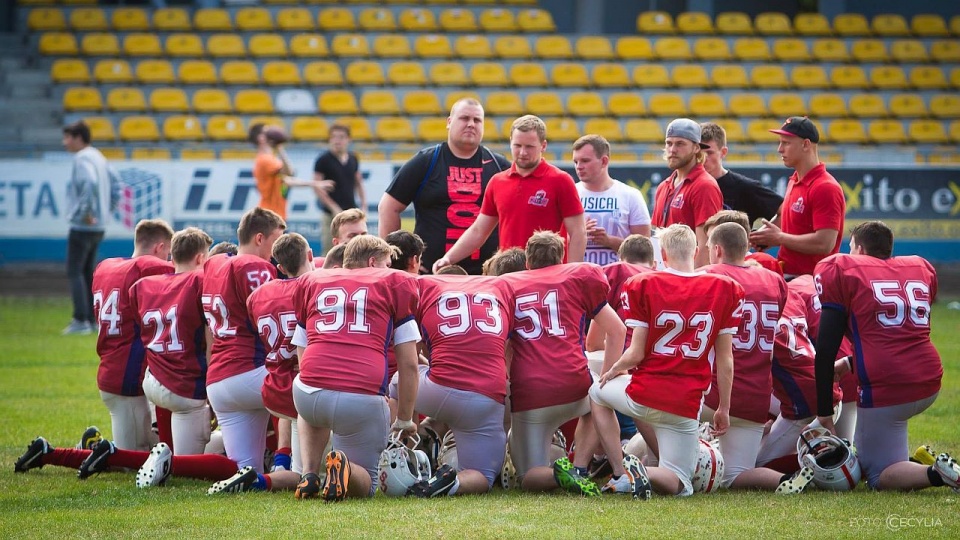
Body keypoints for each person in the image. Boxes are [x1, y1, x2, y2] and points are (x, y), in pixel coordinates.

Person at [590, 224, 741, 497]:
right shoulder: (725, 288)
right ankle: (645, 471)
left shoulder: (644, 283)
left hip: (644, 394)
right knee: (679, 483)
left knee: (596, 393)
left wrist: (614, 370)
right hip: (685, 403)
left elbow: (636, 353)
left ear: (662, 254)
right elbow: (725, 360)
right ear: (696, 252)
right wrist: (724, 408)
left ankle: (620, 470)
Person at [813, 221, 960, 492]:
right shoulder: (918, 267)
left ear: (858, 247)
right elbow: (897, 336)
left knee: (878, 475)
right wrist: (849, 363)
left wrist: (823, 412)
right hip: (929, 380)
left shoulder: (842, 270)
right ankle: (917, 462)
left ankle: (936, 472)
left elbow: (824, 351)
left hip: (888, 388)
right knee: (890, 451)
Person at [291, 235, 421, 501]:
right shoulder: (394, 283)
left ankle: (309, 473)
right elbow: (409, 364)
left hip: (308, 393)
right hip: (360, 396)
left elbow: (301, 348)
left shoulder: (313, 281)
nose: (389, 269)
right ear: (373, 263)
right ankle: (344, 468)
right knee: (367, 484)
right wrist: (405, 418)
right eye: (386, 263)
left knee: (308, 388)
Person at [499, 231, 627, 496]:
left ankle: (565, 475)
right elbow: (617, 331)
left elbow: (505, 346)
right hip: (573, 383)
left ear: (527, 262)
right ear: (561, 258)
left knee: (529, 476)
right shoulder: (578, 277)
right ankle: (584, 467)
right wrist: (607, 378)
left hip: (530, 391)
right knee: (598, 402)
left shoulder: (507, 285)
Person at [700, 223, 810, 493]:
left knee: (656, 408)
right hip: (756, 393)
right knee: (737, 474)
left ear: (716, 249)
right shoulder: (773, 281)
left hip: (713, 392)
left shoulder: (707, 275)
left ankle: (656, 465)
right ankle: (784, 480)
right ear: (745, 249)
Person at [399, 268, 517, 496]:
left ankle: (402, 451)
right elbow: (507, 348)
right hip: (487, 396)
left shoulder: (424, 288)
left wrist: (405, 418)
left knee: (398, 381)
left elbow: (409, 359)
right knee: (483, 475)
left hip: (439, 389)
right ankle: (452, 483)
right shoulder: (500, 289)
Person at [433, 115, 587, 273]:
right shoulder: (497, 182)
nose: (522, 152)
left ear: (543, 146)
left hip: (548, 276)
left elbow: (578, 232)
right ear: (510, 143)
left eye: (529, 146)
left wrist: (571, 274)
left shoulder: (560, 180)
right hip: (507, 276)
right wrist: (449, 258)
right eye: (517, 145)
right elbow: (479, 230)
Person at [379, 98, 509, 274]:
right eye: (464, 118)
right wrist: (397, 261)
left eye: (477, 120)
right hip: (431, 276)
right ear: (449, 122)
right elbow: (388, 207)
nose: (471, 124)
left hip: (486, 278)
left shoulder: (499, 166)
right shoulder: (426, 161)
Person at [201, 207, 286, 475]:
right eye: (276, 240)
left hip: (218, 380)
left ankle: (175, 464)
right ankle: (294, 465)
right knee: (312, 390)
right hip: (249, 372)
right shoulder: (256, 267)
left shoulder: (214, 263)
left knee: (245, 472)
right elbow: (269, 318)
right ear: (260, 238)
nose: (277, 251)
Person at [91, 219, 175, 451]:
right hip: (126, 373)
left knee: (151, 443)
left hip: (113, 366)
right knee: (135, 456)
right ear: (159, 247)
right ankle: (86, 451)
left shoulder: (105, 267)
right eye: (168, 253)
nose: (169, 259)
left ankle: (95, 448)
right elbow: (187, 272)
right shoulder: (146, 267)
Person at [129, 227, 213, 456]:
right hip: (185, 387)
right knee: (189, 464)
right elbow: (210, 346)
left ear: (172, 256)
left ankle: (157, 447)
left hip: (153, 380)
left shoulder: (143, 286)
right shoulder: (200, 282)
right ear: (200, 258)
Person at [247, 232, 316, 477]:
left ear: (280, 267)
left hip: (275, 383)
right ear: (309, 255)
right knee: (308, 471)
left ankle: (279, 463)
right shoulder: (316, 286)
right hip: (308, 384)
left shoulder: (257, 296)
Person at [750, 117, 845, 278]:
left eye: (786, 143)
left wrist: (780, 238)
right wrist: (762, 236)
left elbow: (825, 243)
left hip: (812, 281)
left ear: (806, 144)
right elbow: (791, 221)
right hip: (792, 276)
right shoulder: (795, 179)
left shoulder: (825, 187)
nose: (780, 149)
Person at [62, 120, 121, 335]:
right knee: (87, 272)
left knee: (75, 270)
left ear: (79, 138)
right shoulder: (99, 156)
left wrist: (86, 212)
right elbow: (117, 185)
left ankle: (80, 319)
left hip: (84, 224)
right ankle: (93, 319)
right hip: (99, 226)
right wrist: (106, 211)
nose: (64, 142)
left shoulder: (83, 158)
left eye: (68, 137)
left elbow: (90, 183)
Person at [650, 118, 723, 268]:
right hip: (664, 275)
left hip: (687, 279)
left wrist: (694, 282)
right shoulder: (664, 186)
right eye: (669, 143)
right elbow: (656, 237)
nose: (672, 150)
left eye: (680, 144)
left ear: (696, 148)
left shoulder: (704, 185)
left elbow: (706, 245)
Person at [572, 134, 651, 266]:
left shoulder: (630, 195)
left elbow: (645, 250)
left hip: (620, 280)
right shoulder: (569, 194)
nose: (579, 166)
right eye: (575, 162)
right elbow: (556, 245)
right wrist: (579, 235)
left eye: (585, 161)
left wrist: (609, 241)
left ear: (604, 161)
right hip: (579, 279)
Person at [699, 122, 783, 227]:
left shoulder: (744, 187)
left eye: (709, 153)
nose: (703, 159)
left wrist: (761, 238)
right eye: (699, 153)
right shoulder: (685, 183)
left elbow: (785, 211)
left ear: (723, 152)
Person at [249, 122, 329, 222]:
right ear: (260, 138)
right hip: (269, 215)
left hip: (274, 214)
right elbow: (289, 172)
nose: (271, 134)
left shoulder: (269, 159)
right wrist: (279, 148)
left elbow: (288, 180)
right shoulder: (265, 160)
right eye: (267, 132)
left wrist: (315, 184)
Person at [314, 124, 366, 253]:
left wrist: (363, 205)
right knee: (330, 250)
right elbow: (317, 186)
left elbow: (358, 182)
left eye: (341, 137)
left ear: (349, 139)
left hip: (351, 212)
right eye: (334, 137)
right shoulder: (323, 160)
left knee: (355, 250)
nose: (337, 140)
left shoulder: (353, 158)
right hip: (331, 214)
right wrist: (333, 208)